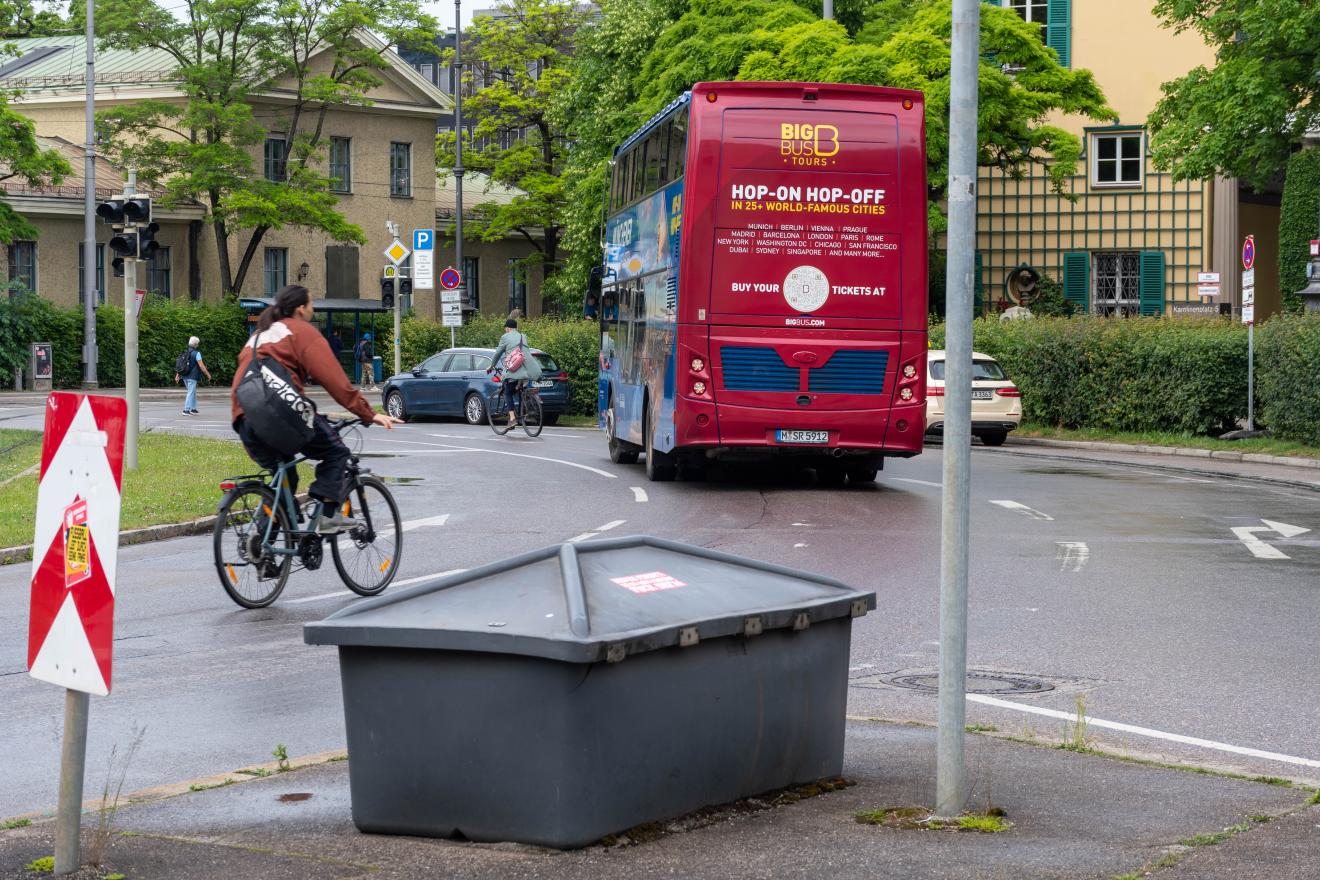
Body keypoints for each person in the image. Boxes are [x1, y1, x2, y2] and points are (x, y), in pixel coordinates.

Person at [231, 285, 398, 534]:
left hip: (244, 417)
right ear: (301, 308)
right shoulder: (301, 331)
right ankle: (328, 515)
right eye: (311, 305)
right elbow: (335, 381)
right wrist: (368, 413)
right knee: (336, 452)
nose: (312, 310)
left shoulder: (259, 334)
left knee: (286, 478)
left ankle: (262, 545)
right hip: (280, 412)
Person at [487, 317, 542, 424]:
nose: (505, 330)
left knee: (507, 393)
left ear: (507, 328)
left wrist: (491, 366)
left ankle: (512, 418)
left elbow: (498, 353)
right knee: (522, 390)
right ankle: (528, 412)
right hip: (526, 372)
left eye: (505, 329)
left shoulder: (505, 337)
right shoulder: (523, 336)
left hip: (513, 371)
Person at [175, 335, 212, 416]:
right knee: (191, 392)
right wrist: (208, 374)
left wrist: (177, 375)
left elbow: (181, 365)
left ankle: (193, 409)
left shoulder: (185, 352)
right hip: (193, 376)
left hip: (184, 375)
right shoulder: (197, 353)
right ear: (196, 344)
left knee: (192, 392)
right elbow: (202, 366)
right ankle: (186, 410)